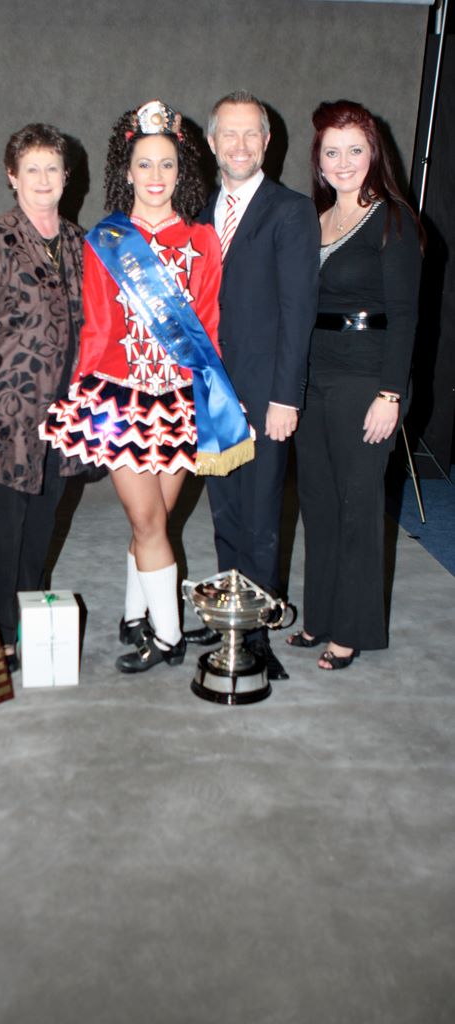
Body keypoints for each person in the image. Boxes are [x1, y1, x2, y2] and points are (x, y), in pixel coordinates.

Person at [41, 100, 253, 673]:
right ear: (127, 172)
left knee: (155, 519)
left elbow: (207, 323)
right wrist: (80, 396)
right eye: (144, 165)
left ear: (181, 172)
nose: (156, 177)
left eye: (167, 165)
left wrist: (213, 394)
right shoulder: (105, 240)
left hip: (180, 400)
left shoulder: (203, 240)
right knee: (147, 521)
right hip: (120, 398)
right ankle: (169, 636)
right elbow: (96, 326)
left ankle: (136, 615)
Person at [287, 100, 422, 671]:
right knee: (317, 504)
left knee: (357, 506)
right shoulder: (314, 222)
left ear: (374, 154)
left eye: (355, 150)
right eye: (332, 152)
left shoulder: (393, 220)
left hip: (367, 379)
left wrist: (391, 394)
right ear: (318, 159)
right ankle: (319, 616)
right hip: (314, 377)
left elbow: (407, 316)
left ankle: (352, 628)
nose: (343, 162)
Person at [0, 123, 85, 671]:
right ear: (12, 176)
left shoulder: (76, 240)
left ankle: (30, 624)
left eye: (52, 168)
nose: (43, 178)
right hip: (4, 411)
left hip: (60, 415)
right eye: (32, 169)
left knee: (40, 526)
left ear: (66, 176)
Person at [195, 90, 320, 680]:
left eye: (252, 134)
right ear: (212, 142)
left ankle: (259, 630)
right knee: (224, 511)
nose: (240, 145)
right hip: (210, 392)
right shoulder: (197, 213)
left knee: (262, 514)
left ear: (267, 143)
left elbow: (298, 313)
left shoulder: (290, 212)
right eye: (230, 133)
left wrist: (285, 397)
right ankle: (230, 614)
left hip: (266, 392)